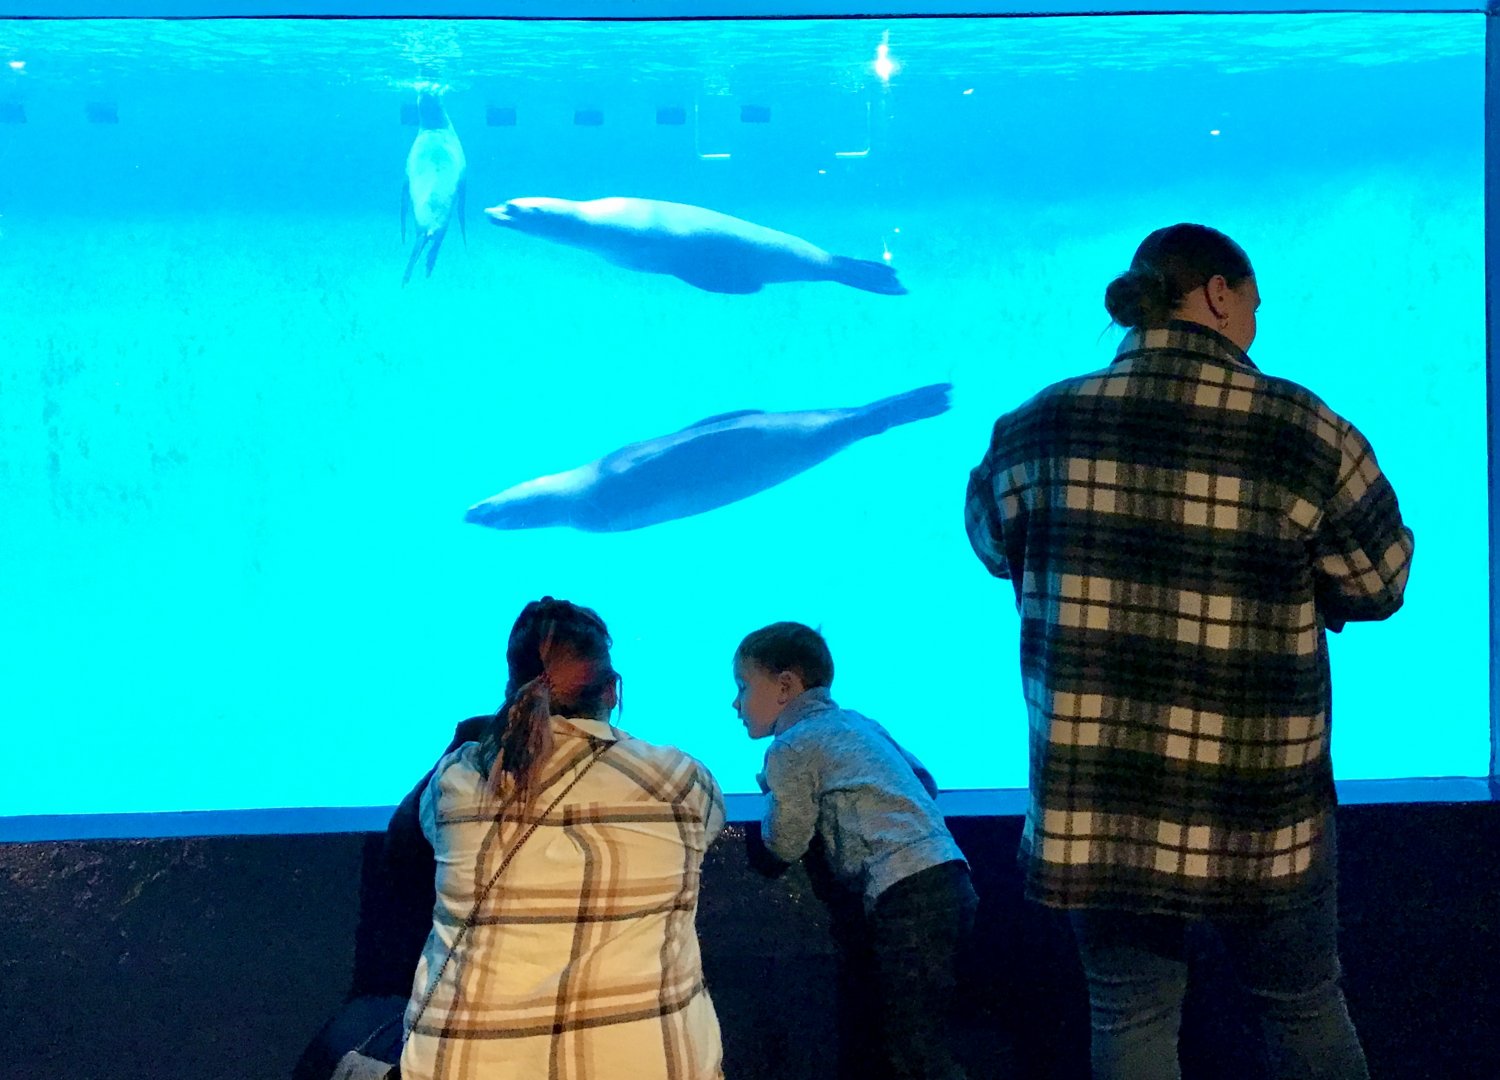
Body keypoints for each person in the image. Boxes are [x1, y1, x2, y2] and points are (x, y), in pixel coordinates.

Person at [963, 223, 1413, 1080]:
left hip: (1097, 801)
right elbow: (1382, 582)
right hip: (1261, 807)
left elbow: (992, 544)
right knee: (1304, 1008)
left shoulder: (1034, 425)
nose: (1254, 323)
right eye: (1252, 303)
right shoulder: (1304, 428)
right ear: (1216, 292)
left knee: (1128, 1020)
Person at [398, 597, 727, 1080]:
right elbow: (706, 829)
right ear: (611, 692)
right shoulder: (678, 780)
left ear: (511, 689)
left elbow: (415, 834)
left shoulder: (458, 779)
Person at [733, 620, 978, 1080]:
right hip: (950, 878)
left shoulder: (791, 747)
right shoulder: (858, 723)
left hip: (905, 896)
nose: (735, 704)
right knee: (918, 1034)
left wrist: (774, 795)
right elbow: (925, 779)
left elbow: (785, 841)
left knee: (913, 1050)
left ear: (785, 686)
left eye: (744, 687)